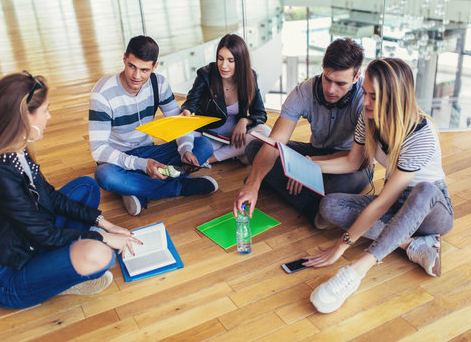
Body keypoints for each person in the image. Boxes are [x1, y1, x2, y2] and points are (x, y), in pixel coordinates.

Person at [0, 72, 141, 309]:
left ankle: (63, 261)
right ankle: (60, 276)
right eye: (45, 110)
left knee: (86, 186)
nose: (49, 116)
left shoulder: (14, 146)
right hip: (1, 277)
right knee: (102, 255)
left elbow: (49, 195)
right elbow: (46, 236)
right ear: (24, 118)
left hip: (22, 239)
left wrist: (104, 223)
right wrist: (103, 237)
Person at [305, 58, 453, 314]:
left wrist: (343, 245)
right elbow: (353, 161)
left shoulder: (421, 134)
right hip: (394, 201)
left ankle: (355, 272)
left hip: (431, 210)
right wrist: (308, 164)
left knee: (424, 189)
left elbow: (382, 202)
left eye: (374, 97)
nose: (365, 102)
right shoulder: (368, 117)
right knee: (330, 205)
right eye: (365, 93)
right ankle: (412, 244)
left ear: (394, 98)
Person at [233, 38, 371, 221]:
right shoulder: (303, 92)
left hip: (349, 160)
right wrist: (252, 184)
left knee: (342, 183)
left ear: (356, 78)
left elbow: (360, 160)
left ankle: (285, 189)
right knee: (255, 148)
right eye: (327, 79)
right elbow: (275, 142)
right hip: (314, 152)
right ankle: (312, 204)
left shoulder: (366, 100)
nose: (330, 89)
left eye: (340, 84)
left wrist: (308, 166)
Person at [89, 35, 217, 216]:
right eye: (131, 66)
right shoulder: (102, 94)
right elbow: (99, 150)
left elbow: (179, 124)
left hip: (149, 151)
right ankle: (178, 186)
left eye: (144, 70)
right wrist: (142, 164)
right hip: (119, 158)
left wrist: (185, 150)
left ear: (154, 67)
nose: (136, 76)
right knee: (104, 175)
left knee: (203, 145)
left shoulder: (159, 83)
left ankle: (136, 188)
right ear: (124, 58)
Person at [180, 34, 271, 164]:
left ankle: (210, 159)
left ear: (240, 61)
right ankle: (234, 153)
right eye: (220, 59)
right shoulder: (205, 74)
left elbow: (260, 113)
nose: (223, 66)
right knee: (187, 146)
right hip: (209, 135)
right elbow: (191, 103)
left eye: (230, 60)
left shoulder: (250, 77)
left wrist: (244, 121)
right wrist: (187, 111)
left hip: (236, 136)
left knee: (266, 132)